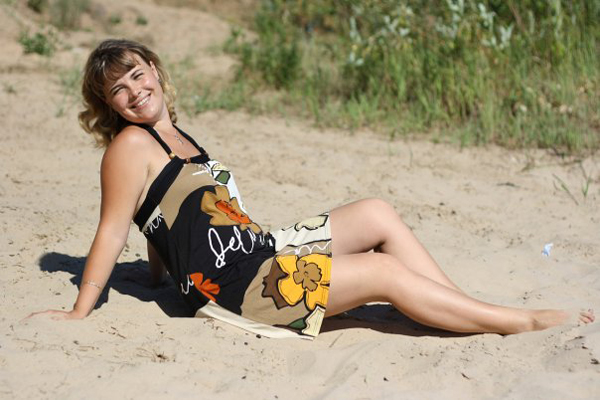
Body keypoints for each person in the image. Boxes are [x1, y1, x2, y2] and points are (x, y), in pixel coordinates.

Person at [29, 39, 594, 338]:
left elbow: (160, 216)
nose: (134, 91)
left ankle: (464, 309)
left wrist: (157, 275)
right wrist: (81, 310)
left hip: (262, 250)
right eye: (118, 89)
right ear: (108, 105)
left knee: (376, 212)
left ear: (154, 69)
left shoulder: (175, 132)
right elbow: (113, 228)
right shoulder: (129, 146)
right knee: (381, 272)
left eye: (136, 74)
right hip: (240, 286)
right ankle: (518, 321)